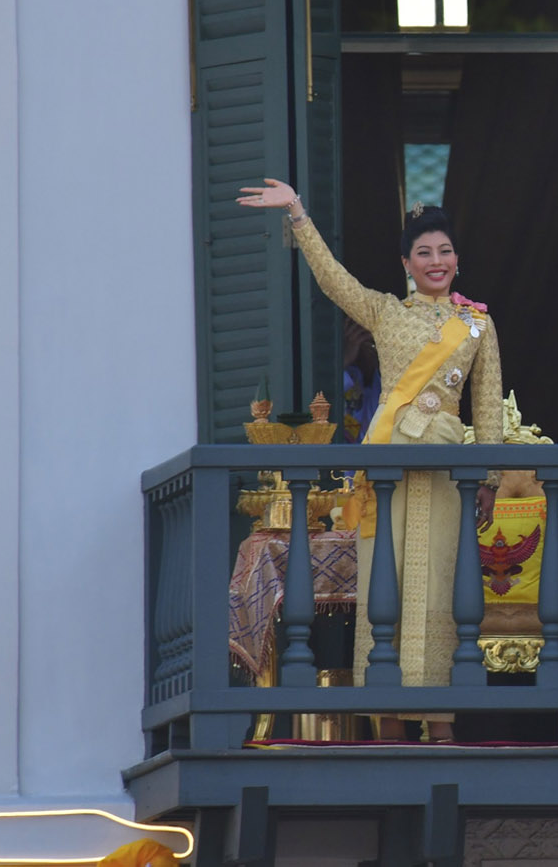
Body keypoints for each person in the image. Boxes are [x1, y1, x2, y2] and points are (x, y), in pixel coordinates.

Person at [238, 179, 503, 743]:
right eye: (424, 252)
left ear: (458, 258)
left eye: (445, 251)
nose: (437, 261)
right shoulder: (385, 311)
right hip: (388, 465)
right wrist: (298, 214)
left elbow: (488, 407)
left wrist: (490, 478)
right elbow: (332, 279)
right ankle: (387, 725)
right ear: (406, 262)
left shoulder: (478, 323)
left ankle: (442, 726)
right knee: (387, 587)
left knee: (439, 590)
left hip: (447, 468)